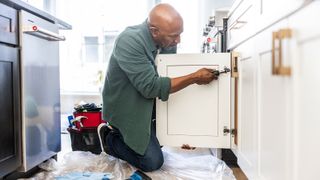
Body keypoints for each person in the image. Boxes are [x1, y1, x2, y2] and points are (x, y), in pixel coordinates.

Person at [98, 3, 217, 172]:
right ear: (154, 31)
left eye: (180, 34)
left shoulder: (167, 41)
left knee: (160, 141)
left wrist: (184, 133)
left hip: (148, 104)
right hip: (126, 108)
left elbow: (167, 75)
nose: (178, 40)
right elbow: (151, 88)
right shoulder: (129, 41)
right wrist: (194, 77)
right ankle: (110, 139)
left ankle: (145, 136)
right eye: (174, 36)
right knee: (152, 162)